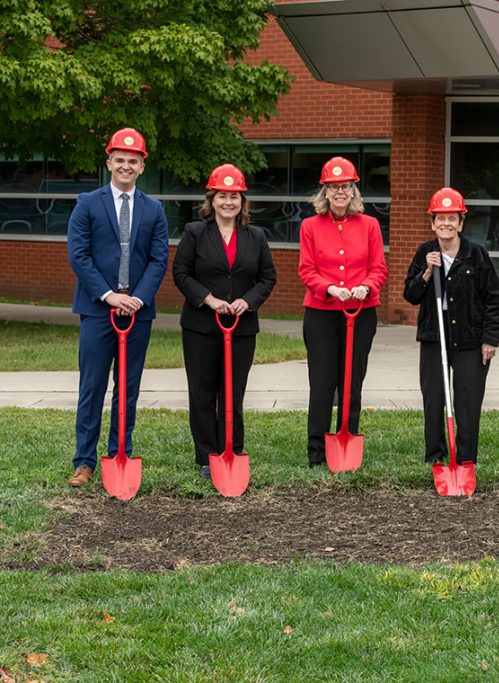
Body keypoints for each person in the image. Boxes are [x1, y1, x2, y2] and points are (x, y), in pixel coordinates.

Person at [66, 127, 169, 487]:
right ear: (109, 162)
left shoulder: (154, 209)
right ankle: (84, 461)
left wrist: (137, 298)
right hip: (98, 310)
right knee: (92, 385)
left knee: (128, 387)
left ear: (142, 166)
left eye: (133, 161)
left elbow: (159, 260)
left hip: (138, 312)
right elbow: (78, 256)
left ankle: (119, 453)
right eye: (120, 160)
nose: (126, 166)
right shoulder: (87, 203)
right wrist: (109, 296)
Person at [172, 164, 277, 479]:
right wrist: (210, 299)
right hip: (201, 327)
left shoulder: (255, 236)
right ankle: (207, 457)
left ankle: (232, 450)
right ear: (212, 199)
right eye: (222, 196)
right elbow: (181, 273)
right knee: (203, 392)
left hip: (241, 328)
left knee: (233, 392)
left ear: (242, 201)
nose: (228, 202)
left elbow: (267, 277)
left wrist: (249, 300)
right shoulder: (194, 232)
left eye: (234, 196)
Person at [402, 188, 499, 465]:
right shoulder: (425, 252)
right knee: (434, 399)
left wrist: (490, 339)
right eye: (440, 218)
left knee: (468, 402)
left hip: (470, 337)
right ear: (432, 223)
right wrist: (426, 272)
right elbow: (410, 295)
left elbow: (494, 301)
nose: (446, 223)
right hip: (435, 335)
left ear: (461, 223)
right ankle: (435, 456)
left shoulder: (477, 254)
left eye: (452, 218)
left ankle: (466, 458)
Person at [298, 156, 388, 467]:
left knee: (352, 380)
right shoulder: (310, 226)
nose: (340, 192)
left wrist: (366, 286)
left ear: (354, 191)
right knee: (322, 382)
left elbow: (379, 268)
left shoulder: (370, 225)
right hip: (322, 312)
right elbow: (306, 270)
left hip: (360, 313)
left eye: (346, 186)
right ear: (324, 192)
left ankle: (347, 438)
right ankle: (317, 451)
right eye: (334, 187)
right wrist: (329, 288)